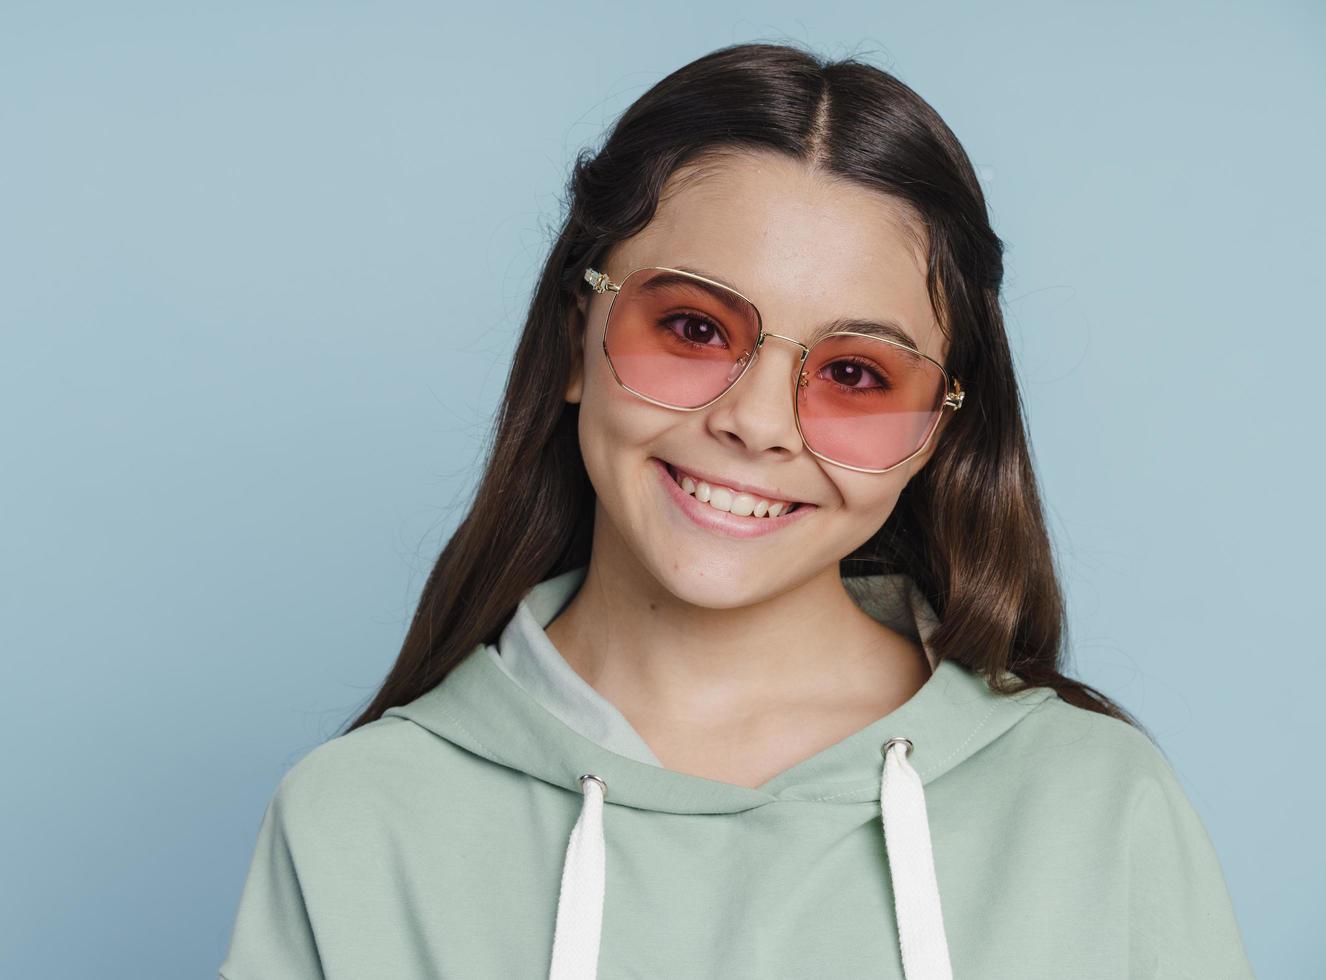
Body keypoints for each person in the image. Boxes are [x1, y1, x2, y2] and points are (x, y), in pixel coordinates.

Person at [218, 42, 1254, 980]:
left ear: (936, 430)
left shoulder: (1093, 804)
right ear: (576, 336)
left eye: (853, 371)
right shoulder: (354, 820)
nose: (758, 423)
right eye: (694, 327)